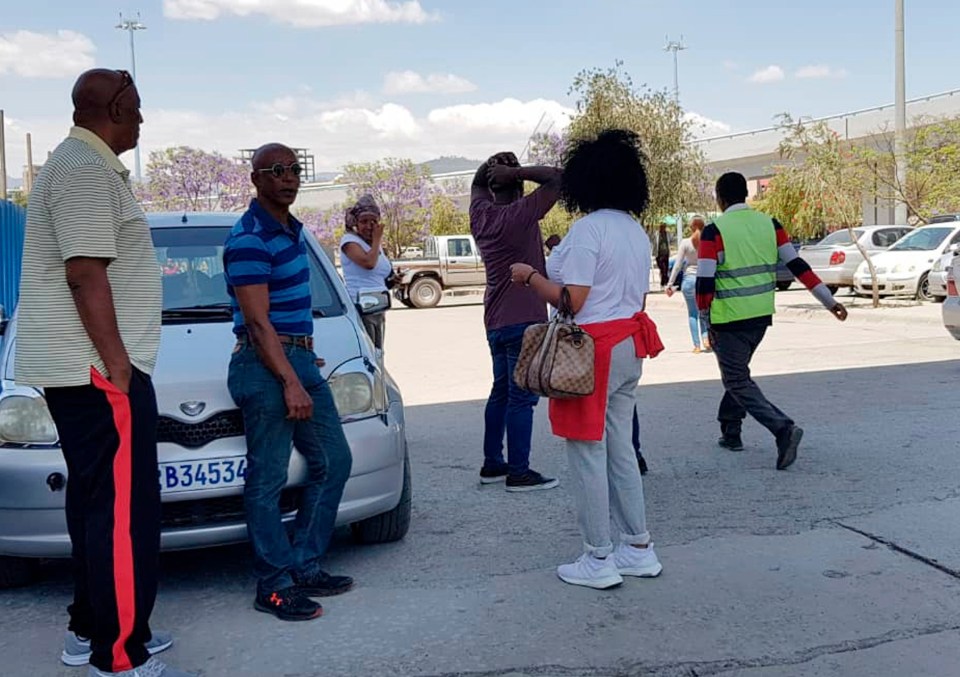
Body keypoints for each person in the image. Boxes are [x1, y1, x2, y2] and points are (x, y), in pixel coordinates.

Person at [15, 69, 194, 677]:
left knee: (96, 504)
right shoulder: (85, 170)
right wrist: (118, 367)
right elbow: (85, 273)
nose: (143, 119)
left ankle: (95, 628)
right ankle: (119, 656)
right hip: (97, 371)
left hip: (84, 369)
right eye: (137, 107)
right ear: (115, 107)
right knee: (121, 511)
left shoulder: (76, 166)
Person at [510, 129, 664, 589]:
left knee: (586, 454)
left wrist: (531, 277)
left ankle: (597, 557)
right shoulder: (634, 230)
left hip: (589, 352)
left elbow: (571, 300)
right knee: (619, 449)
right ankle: (637, 546)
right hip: (628, 346)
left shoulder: (589, 229)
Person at [224, 143, 354, 622]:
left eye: (295, 170)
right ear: (256, 178)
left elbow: (286, 314)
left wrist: (300, 354)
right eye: (277, 170)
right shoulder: (249, 238)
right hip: (264, 367)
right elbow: (257, 324)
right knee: (268, 478)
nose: (289, 178)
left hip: (293, 358)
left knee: (334, 460)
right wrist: (288, 378)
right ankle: (274, 584)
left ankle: (304, 563)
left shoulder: (291, 232)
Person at [696, 172, 848, 470]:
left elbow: (704, 282)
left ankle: (783, 429)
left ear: (719, 197)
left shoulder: (714, 231)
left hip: (728, 319)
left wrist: (705, 321)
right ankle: (731, 429)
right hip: (760, 317)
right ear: (745, 196)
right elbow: (798, 265)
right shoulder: (770, 224)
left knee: (736, 379)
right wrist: (829, 302)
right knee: (738, 375)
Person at [470, 152, 562, 491]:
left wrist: (492, 166)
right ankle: (519, 472)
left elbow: (477, 183)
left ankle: (493, 463)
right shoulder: (522, 213)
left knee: (501, 392)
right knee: (522, 397)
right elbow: (558, 177)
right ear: (518, 185)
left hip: (494, 319)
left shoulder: (480, 215)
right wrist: (517, 170)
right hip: (525, 318)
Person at [339, 194, 393, 350]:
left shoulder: (374, 246)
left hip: (378, 307)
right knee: (368, 352)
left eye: (373, 221)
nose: (369, 226)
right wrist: (377, 240)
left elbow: (379, 274)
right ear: (355, 223)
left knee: (378, 353)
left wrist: (393, 280)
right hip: (362, 307)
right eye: (364, 222)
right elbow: (368, 263)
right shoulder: (350, 241)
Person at [666, 216, 711, 353]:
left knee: (692, 313)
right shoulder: (707, 242)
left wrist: (670, 283)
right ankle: (706, 338)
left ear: (691, 227)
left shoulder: (685, 243)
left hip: (689, 281)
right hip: (704, 280)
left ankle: (697, 346)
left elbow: (678, 265)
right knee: (704, 311)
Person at [655, 222, 671, 288]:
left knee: (665, 268)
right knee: (661, 268)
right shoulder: (656, 234)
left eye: (664, 227)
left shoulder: (667, 234)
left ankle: (664, 282)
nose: (663, 228)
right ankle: (665, 280)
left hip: (666, 253)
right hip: (659, 254)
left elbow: (670, 241)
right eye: (662, 227)